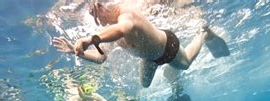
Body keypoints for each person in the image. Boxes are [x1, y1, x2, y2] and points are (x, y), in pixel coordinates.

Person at [52, 1, 230, 88]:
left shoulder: (125, 14)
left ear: (105, 8)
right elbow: (101, 58)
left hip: (167, 47)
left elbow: (123, 28)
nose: (98, 21)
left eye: (97, 15)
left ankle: (203, 33)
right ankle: (164, 68)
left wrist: (90, 39)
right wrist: (76, 53)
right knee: (145, 84)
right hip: (150, 59)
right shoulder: (109, 31)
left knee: (186, 63)